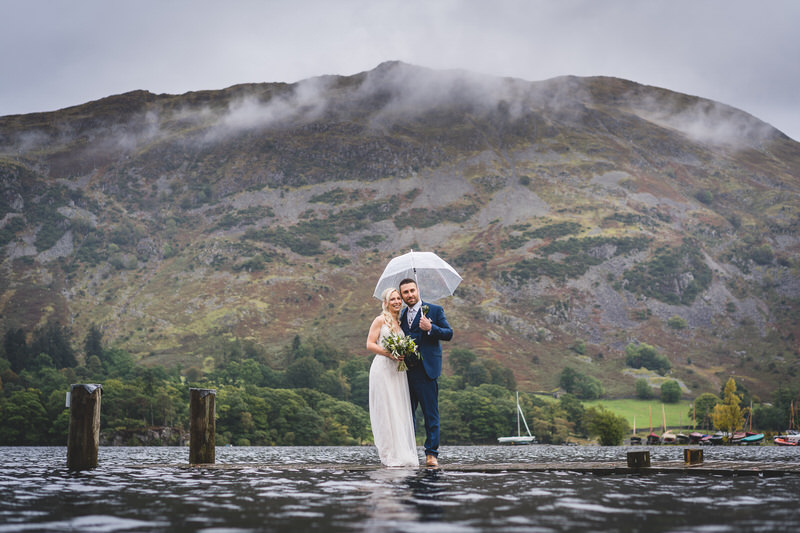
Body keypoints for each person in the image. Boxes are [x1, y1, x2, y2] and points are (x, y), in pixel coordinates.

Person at [399, 278, 453, 467]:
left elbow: (448, 333)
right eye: (405, 292)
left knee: (431, 414)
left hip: (427, 371)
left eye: (412, 290)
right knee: (407, 416)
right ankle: (409, 453)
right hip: (405, 372)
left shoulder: (435, 310)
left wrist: (431, 328)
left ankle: (431, 454)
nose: (409, 295)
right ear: (402, 296)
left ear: (418, 290)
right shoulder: (401, 316)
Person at [366, 288, 419, 467]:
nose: (397, 301)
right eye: (393, 299)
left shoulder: (400, 321)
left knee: (398, 409)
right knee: (385, 409)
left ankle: (401, 451)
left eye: (398, 298)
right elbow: (369, 344)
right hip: (382, 368)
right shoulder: (380, 320)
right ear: (386, 302)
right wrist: (389, 354)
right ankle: (388, 454)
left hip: (397, 371)